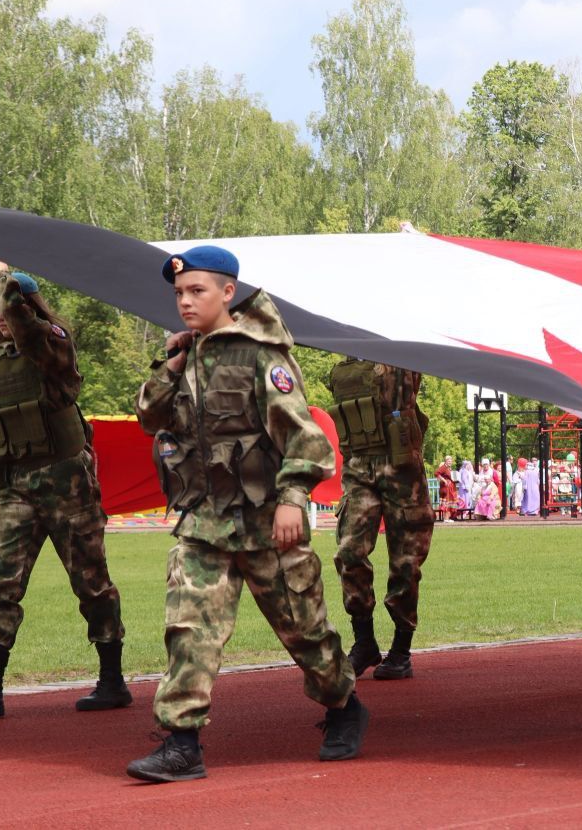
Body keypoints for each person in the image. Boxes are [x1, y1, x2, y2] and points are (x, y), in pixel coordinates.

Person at [128, 245, 364, 782]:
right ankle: (181, 742)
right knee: (188, 629)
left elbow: (307, 440)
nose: (186, 302)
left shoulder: (263, 356)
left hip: (264, 523)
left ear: (227, 293)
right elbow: (148, 416)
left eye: (197, 291)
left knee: (305, 631)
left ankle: (344, 707)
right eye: (180, 294)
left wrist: (293, 499)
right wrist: (171, 363)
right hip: (204, 523)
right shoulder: (186, 356)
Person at [0, 271, 130, 720]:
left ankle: (112, 680)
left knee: (90, 581)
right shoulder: (0, 358)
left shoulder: (52, 342)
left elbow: (29, 329)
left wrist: (6, 283)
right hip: (16, 486)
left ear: (25, 306)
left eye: (5, 307)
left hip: (66, 483)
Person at [326, 356, 435, 682]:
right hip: (359, 467)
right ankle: (364, 641)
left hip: (402, 468)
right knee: (349, 552)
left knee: (406, 563)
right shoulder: (344, 359)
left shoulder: (402, 354)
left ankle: (401, 650)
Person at [435, 455, 457, 522]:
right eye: (449, 461)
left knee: (450, 502)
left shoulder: (448, 468)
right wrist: (444, 480)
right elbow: (436, 473)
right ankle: (446, 518)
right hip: (446, 487)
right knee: (447, 501)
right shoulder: (443, 467)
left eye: (451, 461)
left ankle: (448, 517)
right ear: (446, 461)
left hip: (450, 487)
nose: (450, 462)